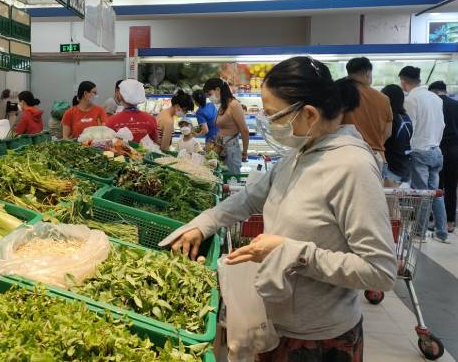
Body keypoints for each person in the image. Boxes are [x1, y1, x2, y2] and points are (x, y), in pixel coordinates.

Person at [160, 57, 396, 362]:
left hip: (319, 341)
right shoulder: (300, 152)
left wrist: (293, 252)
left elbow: (380, 272)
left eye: (273, 115)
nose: (267, 123)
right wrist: (202, 224)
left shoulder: (352, 168)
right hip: (277, 326)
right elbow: (248, 199)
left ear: (309, 114)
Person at [399, 66, 448, 243]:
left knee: (421, 194)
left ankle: (419, 232)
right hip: (436, 151)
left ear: (403, 81)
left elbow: (410, 127)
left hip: (419, 151)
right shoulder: (436, 99)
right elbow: (442, 125)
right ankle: (442, 231)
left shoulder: (412, 99)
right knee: (435, 192)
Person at [342, 57, 393, 164]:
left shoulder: (340, 94)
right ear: (368, 73)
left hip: (348, 156)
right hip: (377, 157)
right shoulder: (383, 98)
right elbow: (388, 132)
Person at [429, 80, 458, 233]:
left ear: (434, 92)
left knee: (436, 186)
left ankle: (436, 221)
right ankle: (450, 222)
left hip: (437, 147)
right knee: (451, 185)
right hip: (455, 148)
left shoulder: (434, 105)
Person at [203, 78, 250, 173]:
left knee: (231, 178)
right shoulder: (223, 105)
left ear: (218, 90)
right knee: (223, 177)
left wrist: (245, 152)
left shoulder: (234, 105)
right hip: (221, 147)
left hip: (231, 148)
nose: (209, 97)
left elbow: (244, 130)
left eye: (210, 94)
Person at [105, 79, 158, 143]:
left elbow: (107, 146)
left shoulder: (111, 121)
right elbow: (155, 141)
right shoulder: (151, 119)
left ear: (120, 95)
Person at [381, 85, 413, 186]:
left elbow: (382, 141)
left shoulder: (391, 120)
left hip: (392, 168)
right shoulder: (406, 117)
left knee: (389, 201)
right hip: (405, 167)